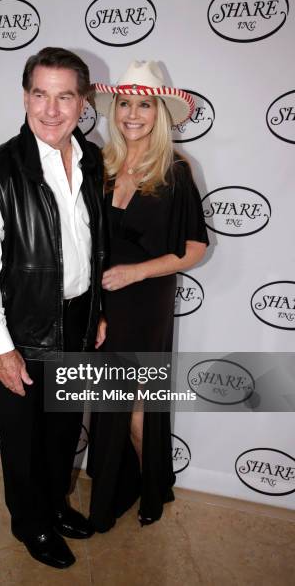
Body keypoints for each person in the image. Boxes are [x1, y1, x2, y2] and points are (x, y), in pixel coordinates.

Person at [0, 47, 105, 569]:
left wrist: (96, 311)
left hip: (79, 316)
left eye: (65, 96)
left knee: (64, 430)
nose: (50, 109)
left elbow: (91, 244)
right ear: (25, 97)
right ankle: (30, 522)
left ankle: (54, 504)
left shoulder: (92, 159)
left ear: (83, 103)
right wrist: (0, 349)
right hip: (24, 328)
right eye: (40, 94)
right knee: (25, 437)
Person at [87, 60, 209, 532]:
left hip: (145, 299)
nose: (131, 114)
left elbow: (193, 249)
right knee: (107, 398)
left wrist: (136, 272)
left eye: (143, 104)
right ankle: (125, 481)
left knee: (135, 405)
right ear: (113, 109)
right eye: (123, 103)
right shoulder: (100, 164)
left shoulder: (175, 170)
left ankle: (151, 485)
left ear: (159, 113)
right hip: (103, 301)